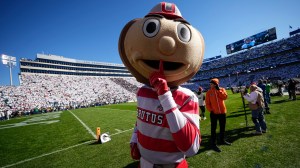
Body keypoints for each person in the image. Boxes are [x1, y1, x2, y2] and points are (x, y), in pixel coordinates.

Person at [205, 78, 231, 152]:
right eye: (211, 84)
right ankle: (213, 143)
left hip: (222, 112)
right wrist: (211, 110)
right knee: (213, 129)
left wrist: (219, 90)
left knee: (222, 127)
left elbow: (225, 97)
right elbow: (207, 103)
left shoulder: (222, 89)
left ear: (216, 84)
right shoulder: (208, 92)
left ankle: (222, 140)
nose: (211, 85)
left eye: (212, 83)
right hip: (214, 113)